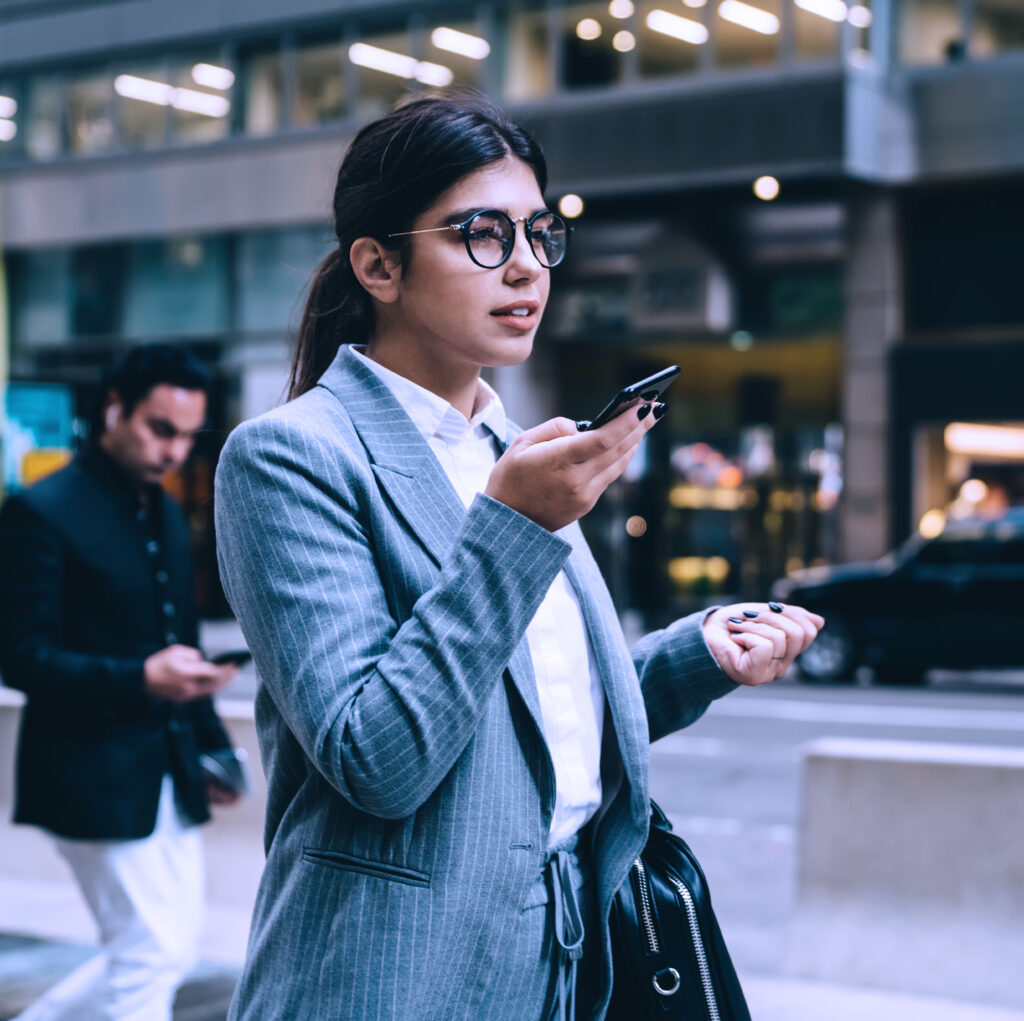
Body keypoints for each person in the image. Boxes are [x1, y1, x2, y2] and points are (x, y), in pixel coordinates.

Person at [214, 94, 824, 1021]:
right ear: (379, 264)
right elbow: (377, 758)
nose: (529, 268)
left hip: (570, 962)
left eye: (540, 233)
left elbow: (540, 724)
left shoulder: (515, 448)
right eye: (482, 235)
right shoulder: (291, 454)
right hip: (394, 977)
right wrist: (515, 528)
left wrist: (701, 652)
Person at [0, 344, 241, 1021]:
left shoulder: (163, 509)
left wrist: (212, 747)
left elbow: (181, 640)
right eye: (160, 429)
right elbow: (21, 658)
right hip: (87, 773)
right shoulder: (41, 510)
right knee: (149, 953)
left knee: (159, 949)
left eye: (189, 435)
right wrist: (140, 676)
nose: (175, 450)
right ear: (114, 409)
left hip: (167, 765)